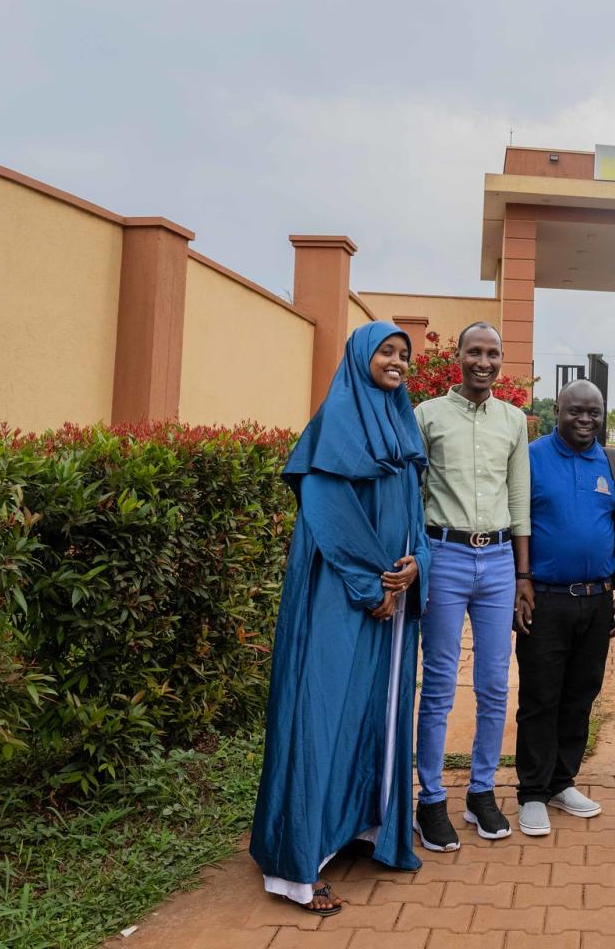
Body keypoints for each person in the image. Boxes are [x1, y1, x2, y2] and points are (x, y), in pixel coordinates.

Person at [251, 322, 429, 915]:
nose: (397, 361)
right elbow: (328, 513)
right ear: (360, 356)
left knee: (371, 712)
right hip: (339, 596)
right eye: (386, 351)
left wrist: (415, 567)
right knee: (321, 710)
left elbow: (413, 515)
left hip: (391, 596)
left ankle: (359, 829)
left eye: (404, 353)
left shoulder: (401, 424)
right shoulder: (335, 424)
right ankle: (295, 866)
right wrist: (370, 584)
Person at [413, 322, 531, 849]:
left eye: (492, 354)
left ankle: (481, 793)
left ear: (501, 360)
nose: (483, 362)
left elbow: (520, 498)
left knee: (494, 684)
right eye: (474, 352)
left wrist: (523, 574)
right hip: (444, 556)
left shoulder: (514, 420)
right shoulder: (427, 415)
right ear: (458, 356)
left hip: (500, 560)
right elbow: (408, 493)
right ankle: (430, 798)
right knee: (438, 685)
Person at [513, 379, 615, 836]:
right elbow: (517, 524)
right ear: (556, 412)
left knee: (580, 696)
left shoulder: (611, 462)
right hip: (543, 599)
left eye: (594, 412)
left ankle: (562, 782)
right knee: (539, 698)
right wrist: (519, 581)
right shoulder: (530, 458)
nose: (585, 420)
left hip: (595, 601)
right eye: (575, 411)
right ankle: (531, 792)